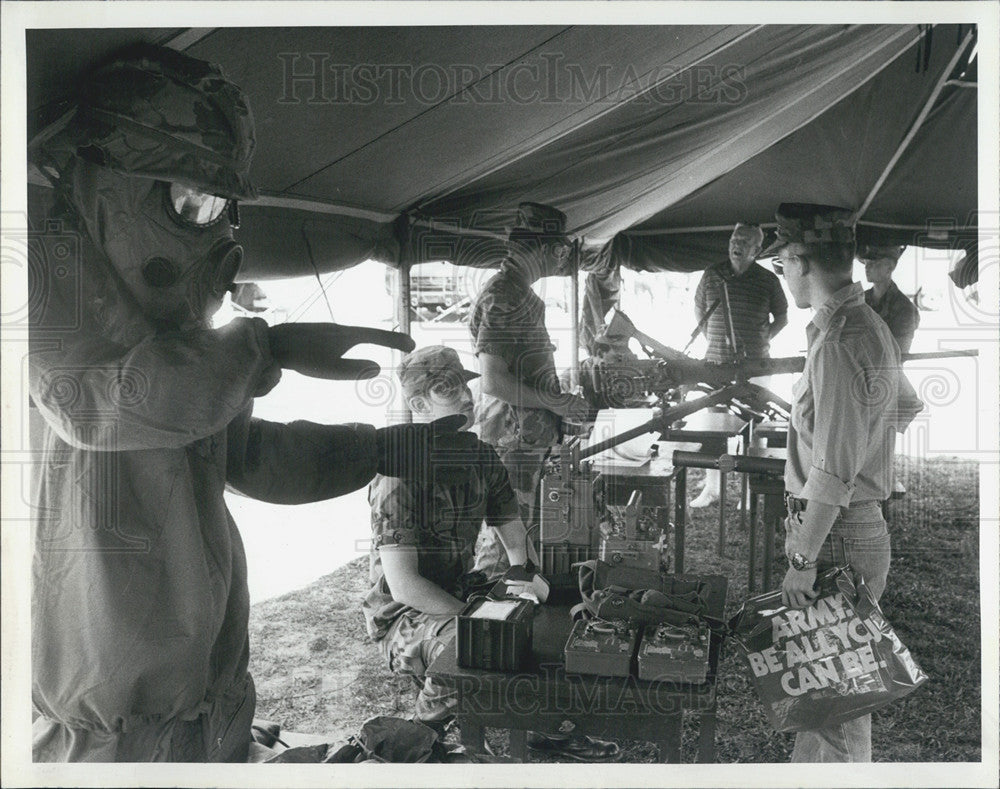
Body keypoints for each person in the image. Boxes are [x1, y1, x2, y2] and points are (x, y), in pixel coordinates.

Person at [27, 44, 477, 763]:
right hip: (106, 738)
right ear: (103, 184)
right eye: (189, 200)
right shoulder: (42, 291)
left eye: (223, 207)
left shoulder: (173, 341)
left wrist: (380, 448)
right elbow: (111, 406)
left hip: (211, 707)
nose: (219, 233)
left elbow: (252, 456)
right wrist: (265, 347)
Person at [762, 203, 921, 762]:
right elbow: (906, 405)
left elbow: (831, 474)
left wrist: (801, 559)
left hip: (835, 540)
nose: (782, 276)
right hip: (855, 529)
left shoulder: (837, 341)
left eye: (781, 262)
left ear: (802, 260)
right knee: (831, 694)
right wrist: (866, 446)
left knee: (833, 703)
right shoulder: (865, 324)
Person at [364, 346, 546, 727]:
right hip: (404, 615)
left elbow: (515, 543)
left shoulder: (481, 457)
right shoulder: (398, 475)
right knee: (476, 645)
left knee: (544, 621)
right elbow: (405, 587)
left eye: (465, 386)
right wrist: (480, 621)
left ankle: (545, 729)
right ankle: (421, 736)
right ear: (419, 403)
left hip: (461, 592)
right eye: (448, 390)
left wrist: (525, 587)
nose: (466, 397)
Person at [468, 202, 591, 569]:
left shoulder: (517, 292)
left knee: (519, 535)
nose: (562, 260)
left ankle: (512, 610)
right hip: (512, 439)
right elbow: (493, 380)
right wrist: (555, 404)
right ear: (540, 248)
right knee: (507, 539)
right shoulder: (505, 295)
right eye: (560, 251)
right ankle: (491, 616)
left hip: (523, 438)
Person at [690, 223, 789, 507]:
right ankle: (713, 487)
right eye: (734, 239)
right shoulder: (712, 274)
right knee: (714, 427)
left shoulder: (768, 279)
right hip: (715, 364)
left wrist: (760, 340)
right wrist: (717, 342)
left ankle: (748, 491)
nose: (737, 244)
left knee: (754, 426)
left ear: (757, 250)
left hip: (756, 367)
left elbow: (782, 317)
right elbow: (699, 313)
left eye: (745, 242)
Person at [858, 244, 920, 354]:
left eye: (873, 263)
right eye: (866, 263)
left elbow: (899, 354)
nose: (867, 268)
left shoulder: (905, 309)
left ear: (889, 268)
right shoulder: (861, 300)